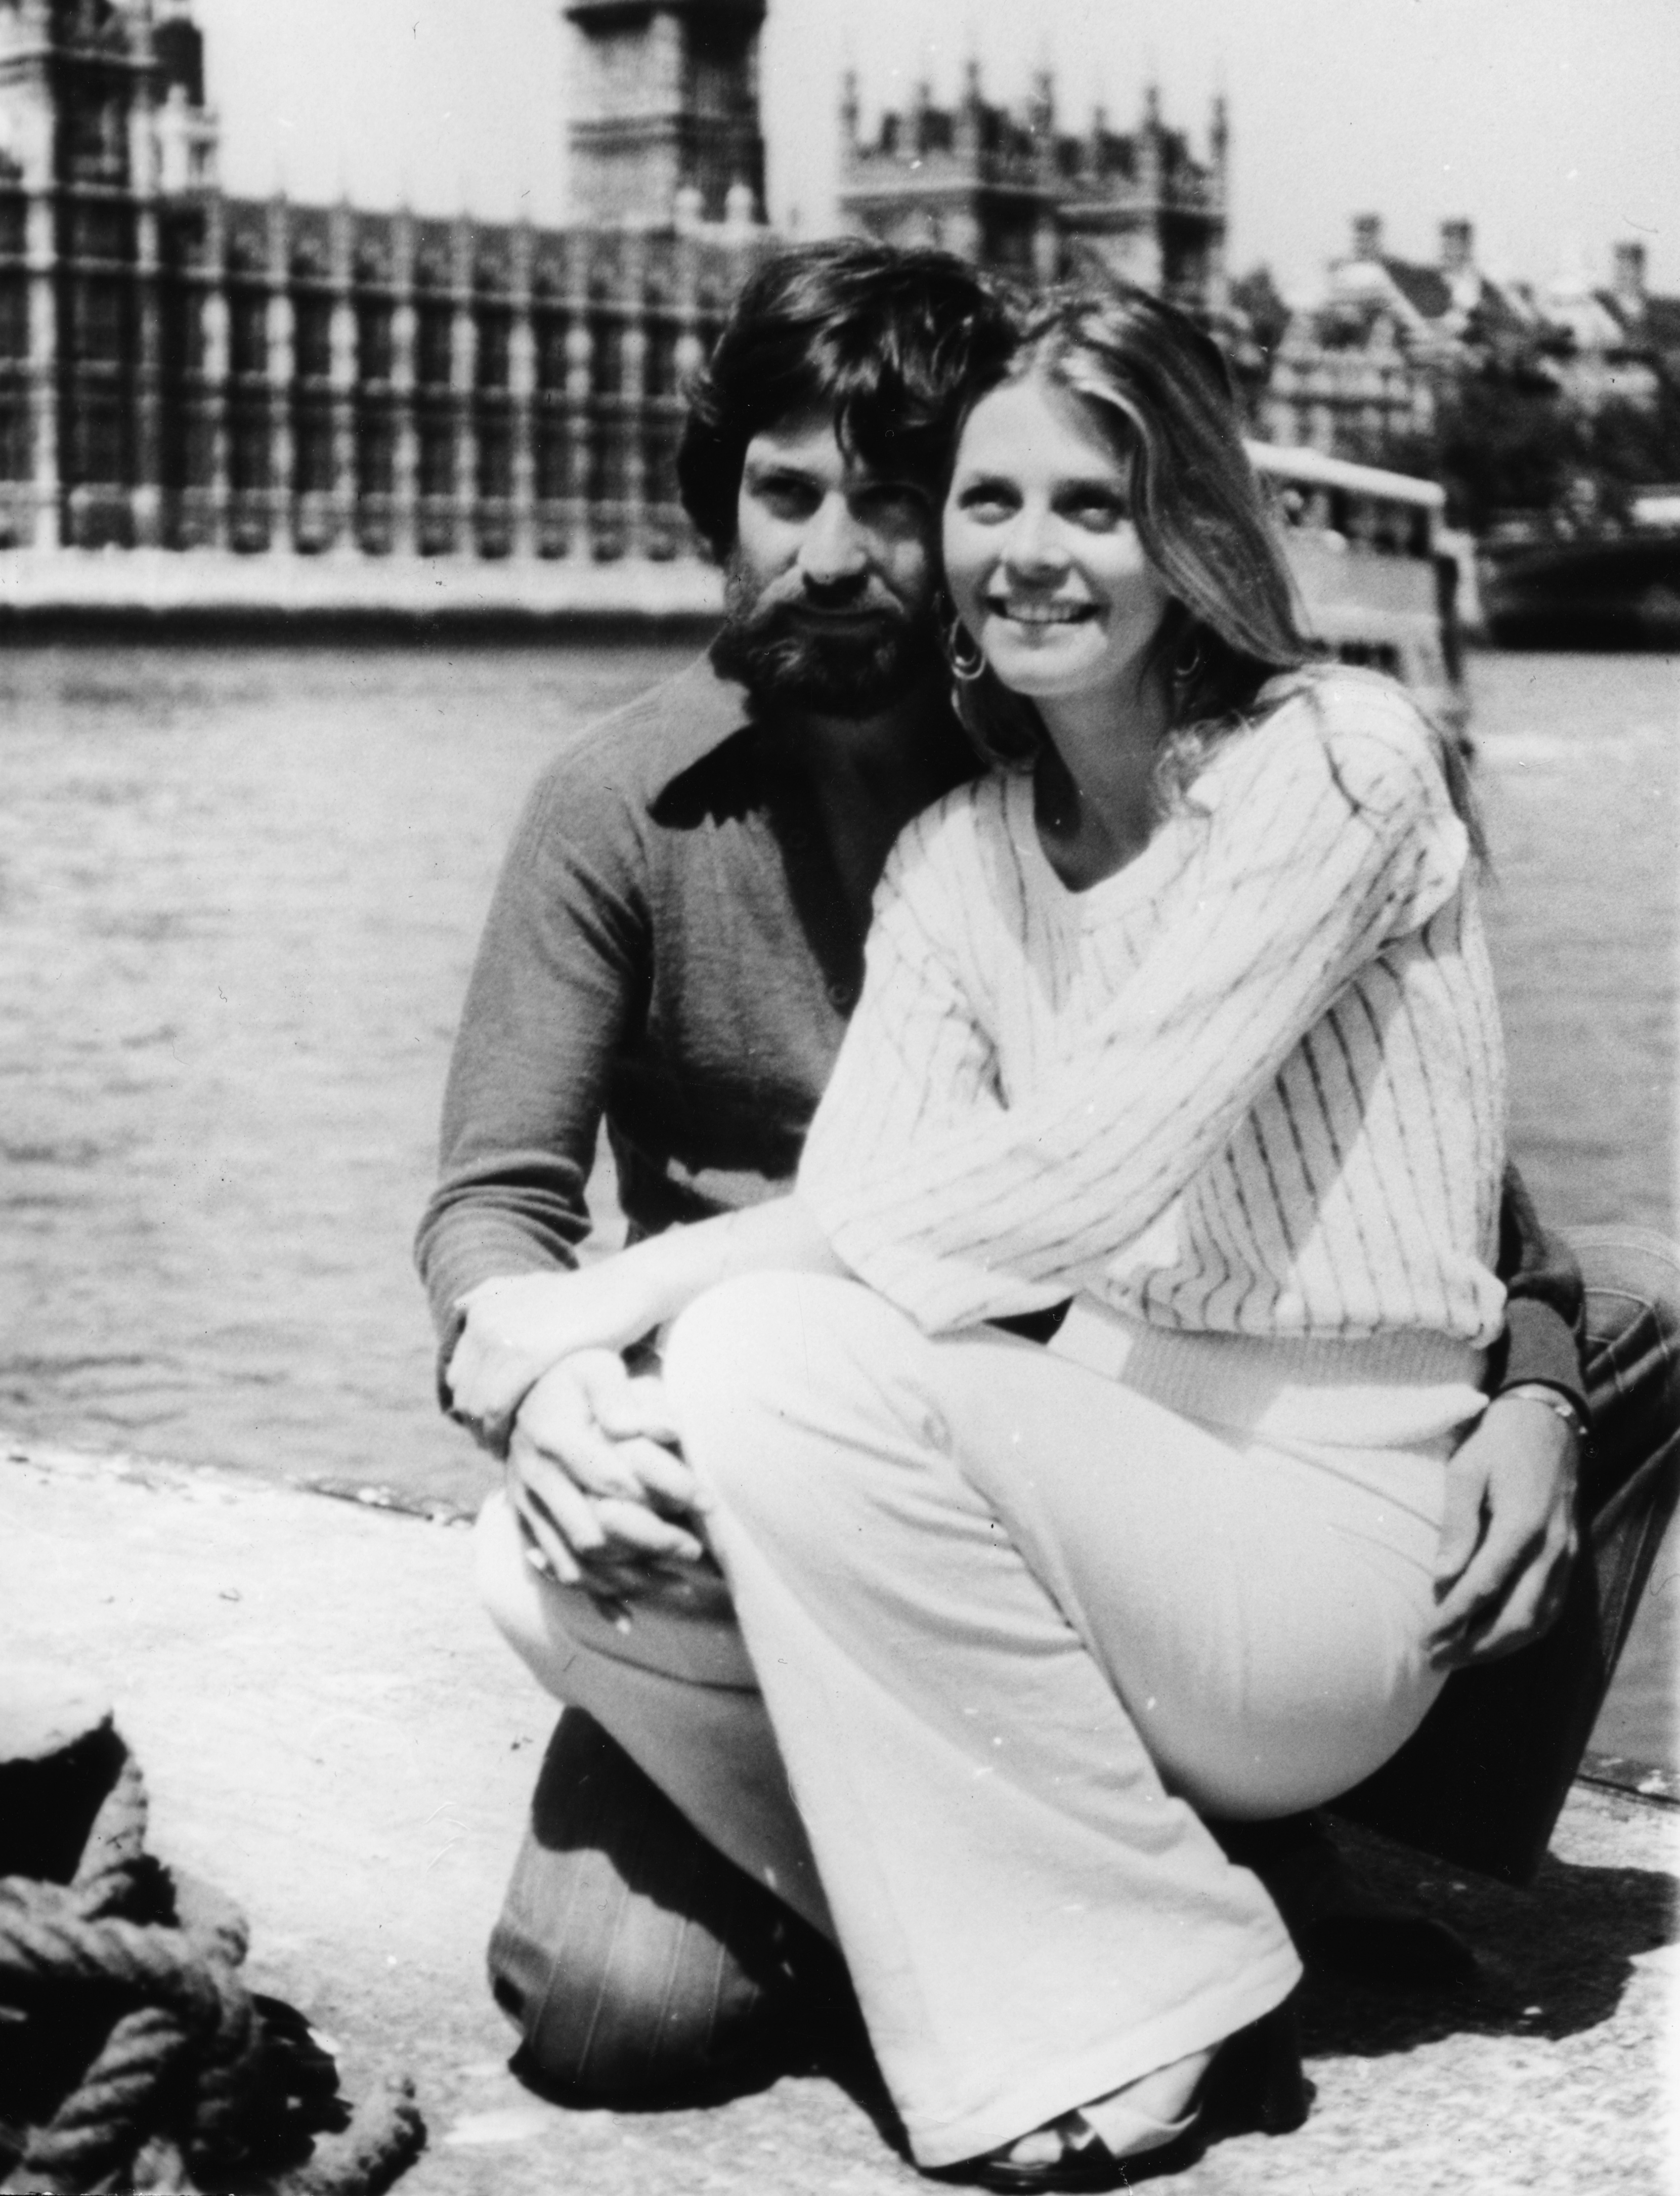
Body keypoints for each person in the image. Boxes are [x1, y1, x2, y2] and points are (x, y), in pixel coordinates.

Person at [418, 243, 1678, 2118]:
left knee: (1639, 1302)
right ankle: (1148, 1883)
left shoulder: (1245, 761)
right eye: (783, 496)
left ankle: (1098, 1922)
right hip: (805, 1423)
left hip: (1111, 1456)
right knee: (609, 1981)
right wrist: (561, 1393)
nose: (836, 555)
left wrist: (1535, 1376)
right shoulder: (693, 815)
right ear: (718, 513)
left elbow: (1371, 1164)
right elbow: (501, 1204)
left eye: (900, 502)